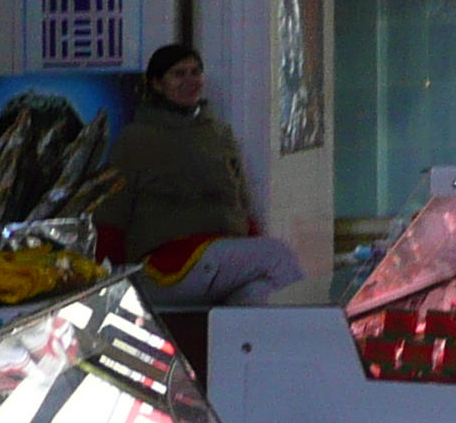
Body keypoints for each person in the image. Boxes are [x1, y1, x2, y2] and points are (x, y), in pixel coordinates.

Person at [105, 43, 307, 306]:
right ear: (156, 84)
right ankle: (317, 339)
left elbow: (242, 207)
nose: (190, 80)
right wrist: (108, 288)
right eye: (179, 74)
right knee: (277, 255)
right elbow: (110, 218)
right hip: (165, 266)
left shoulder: (219, 134)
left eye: (195, 72)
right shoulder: (135, 139)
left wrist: (251, 243)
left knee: (260, 294)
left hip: (220, 259)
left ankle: (278, 346)